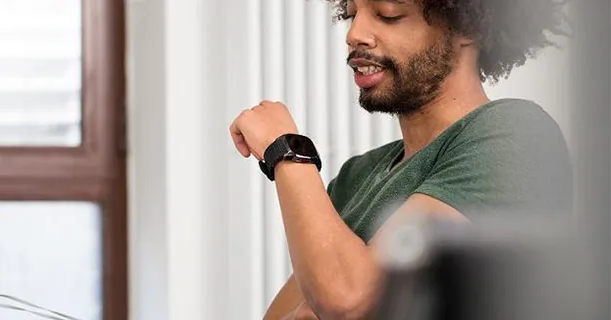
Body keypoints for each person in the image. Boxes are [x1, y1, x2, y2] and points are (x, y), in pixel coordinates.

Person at [228, 0, 572, 319]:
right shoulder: (355, 177)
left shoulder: (512, 134)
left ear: (467, 28)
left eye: (388, 14)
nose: (354, 35)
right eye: (351, 14)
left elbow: (348, 298)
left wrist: (286, 151)